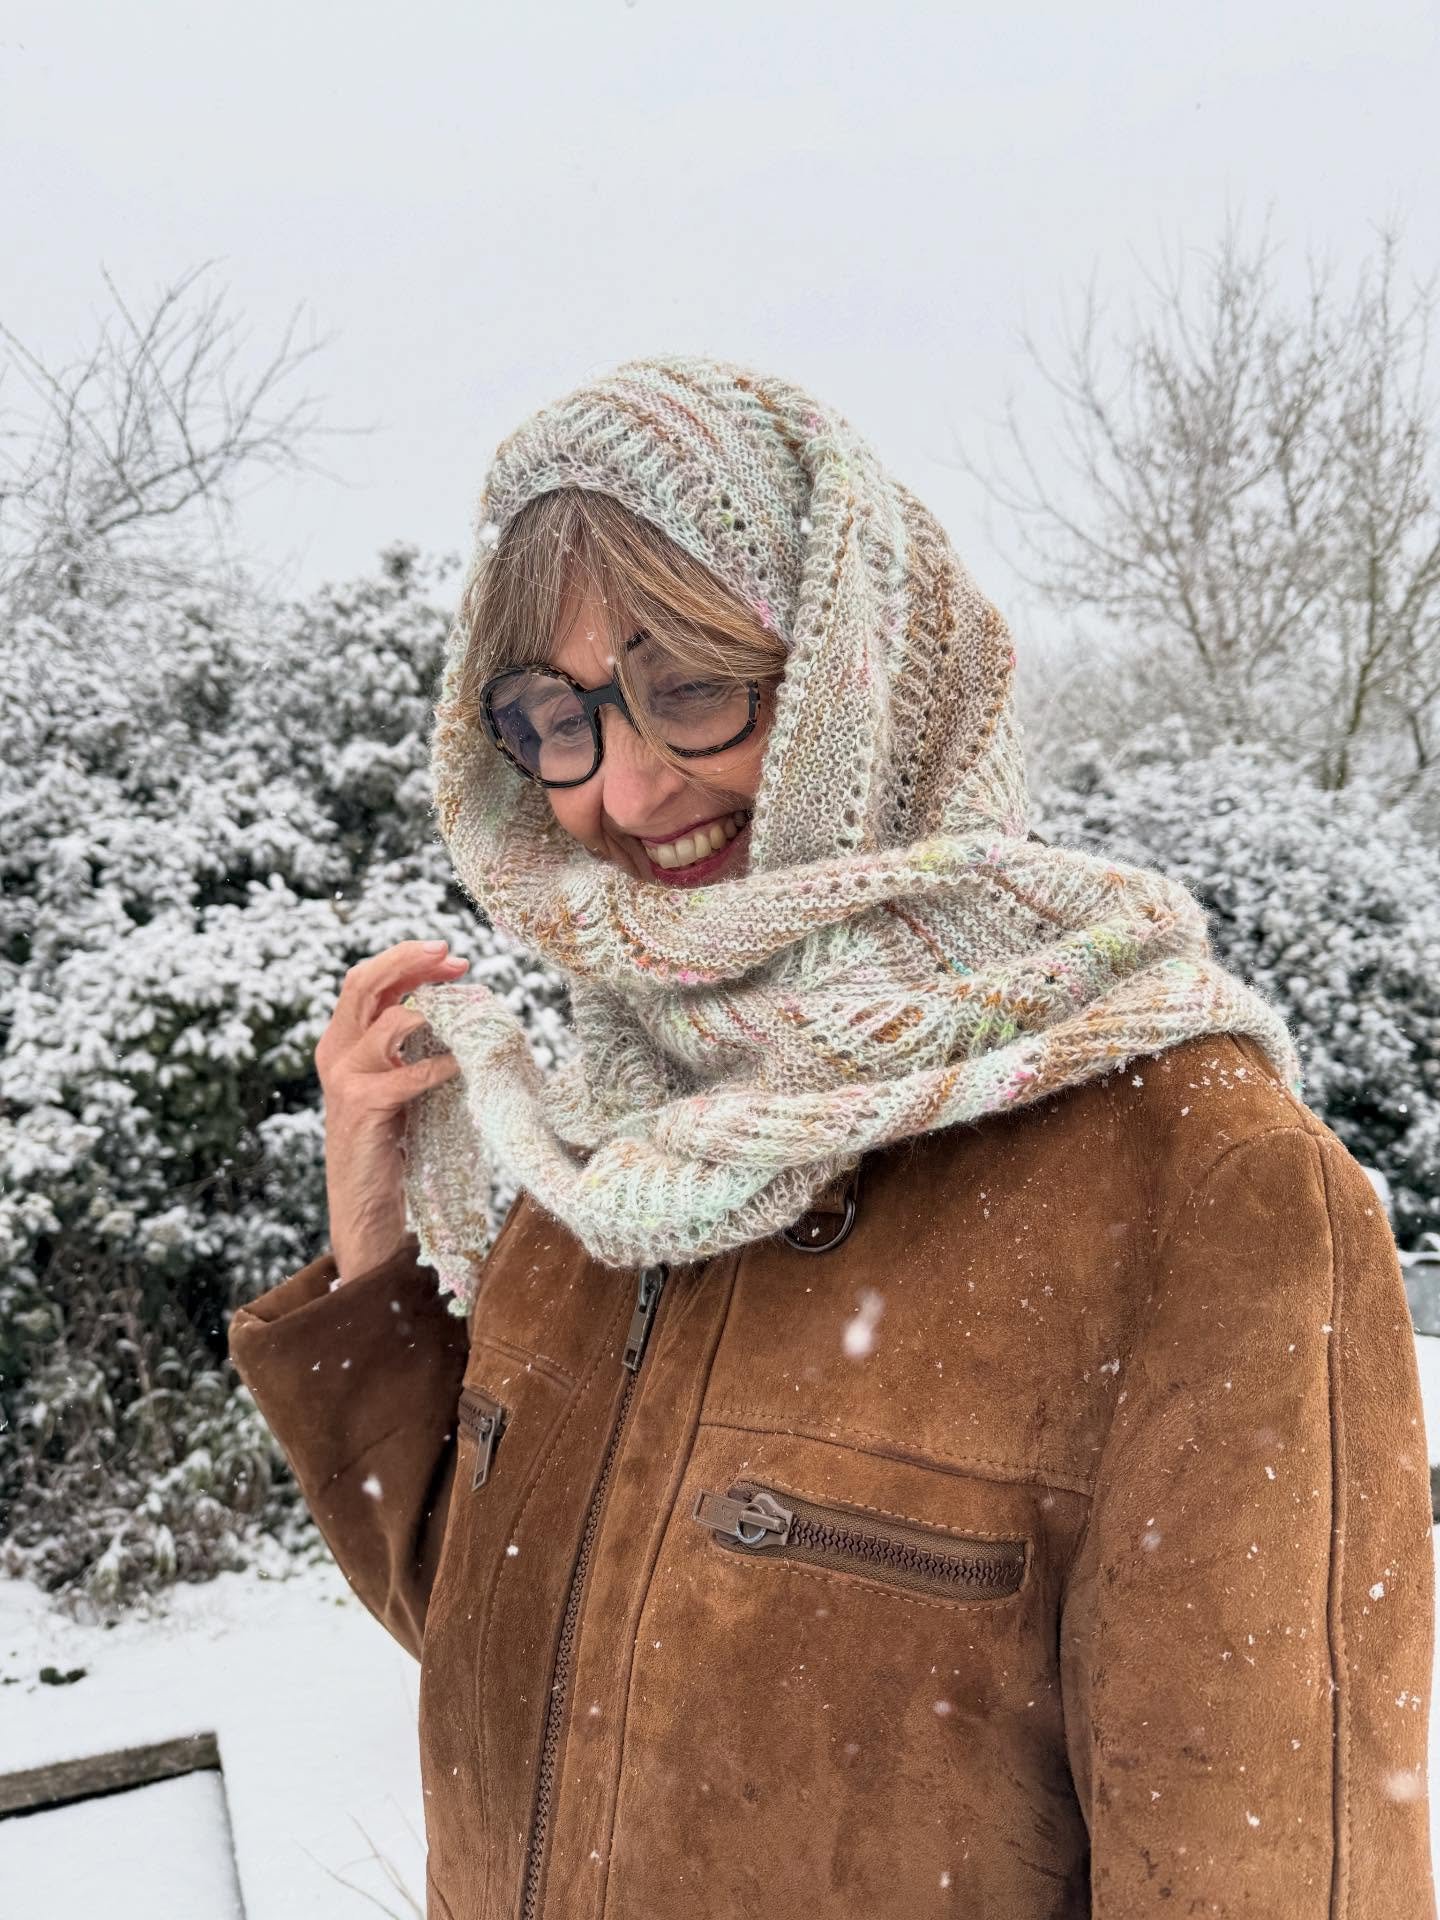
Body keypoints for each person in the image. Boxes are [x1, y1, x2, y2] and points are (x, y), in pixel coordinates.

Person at [227, 356, 1435, 1919]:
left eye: (693, 683)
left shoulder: (1195, 1182)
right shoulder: (600, 1131)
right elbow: (521, 1641)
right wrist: (376, 1245)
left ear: (868, 669)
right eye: (557, 718)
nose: (630, 786)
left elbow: (1275, 1878)